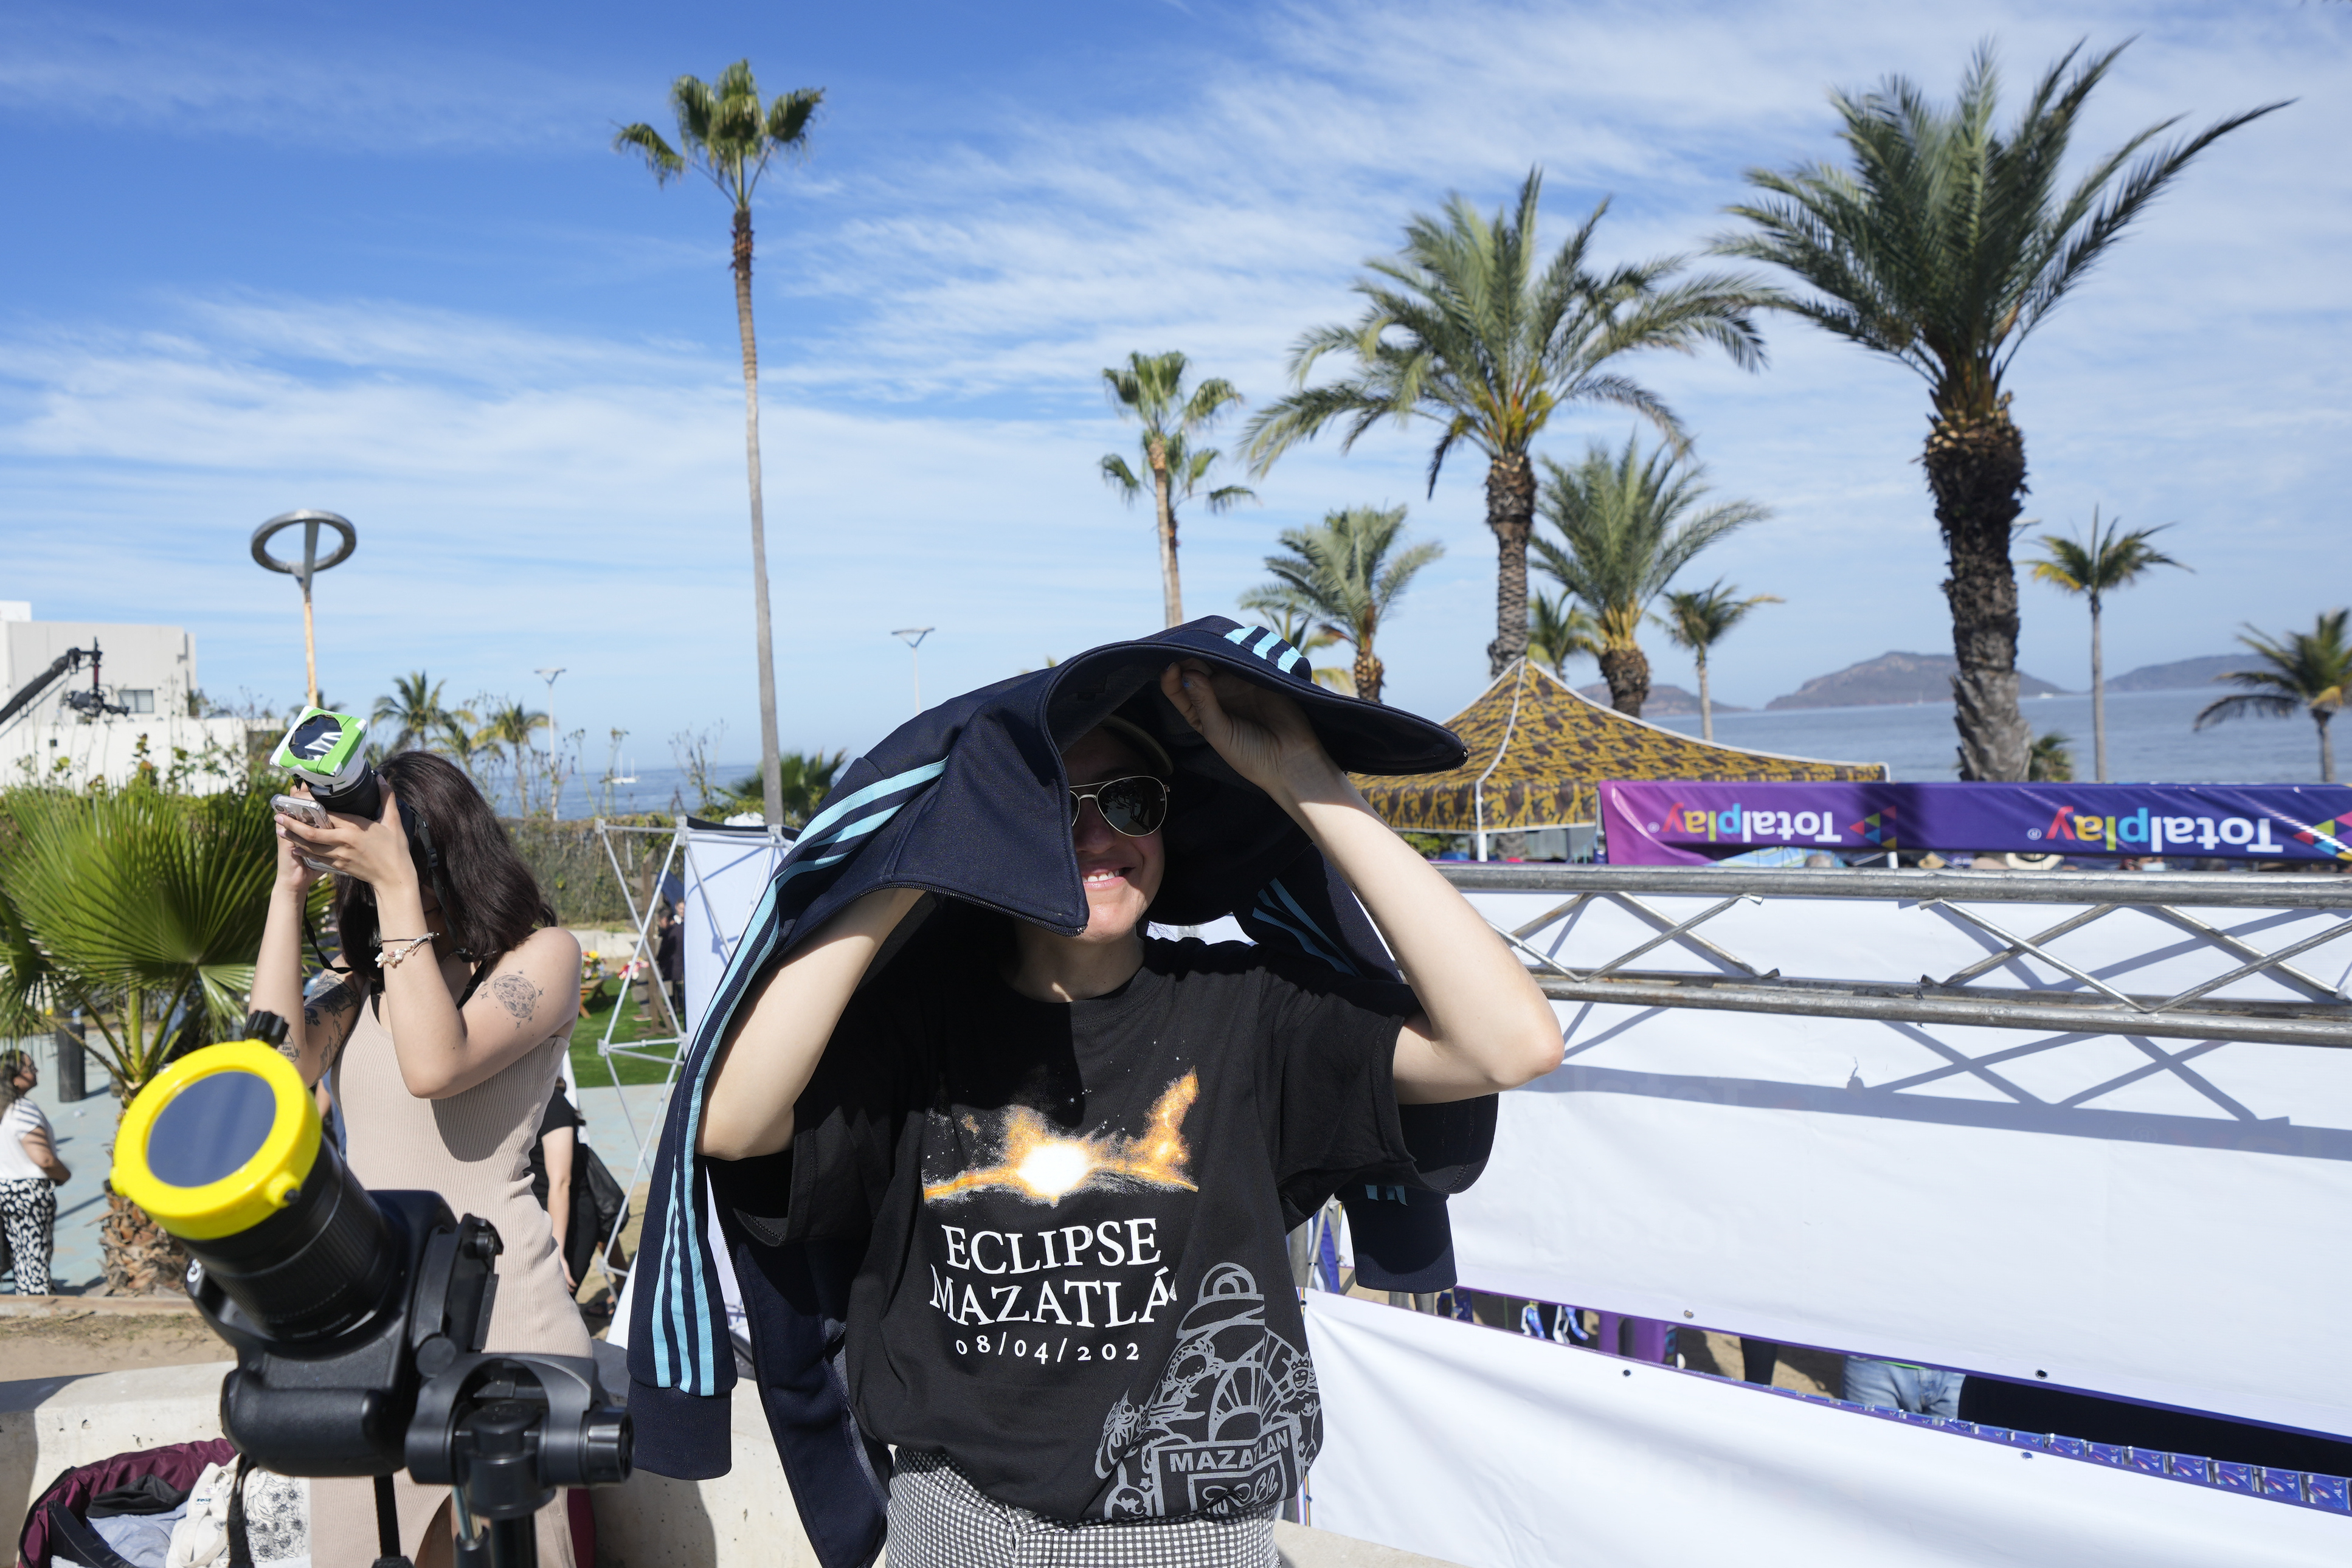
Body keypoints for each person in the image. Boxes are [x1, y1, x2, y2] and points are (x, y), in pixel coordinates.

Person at [695, 661, 1563, 1567]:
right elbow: (731, 1121)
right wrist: (919, 853)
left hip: (1200, 1544)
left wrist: (1304, 778)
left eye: (1132, 800)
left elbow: (1510, 1043)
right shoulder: (921, 1021)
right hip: (958, 1539)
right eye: (1051, 806)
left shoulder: (1249, 1009)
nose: (1097, 834)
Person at [251, 752, 590, 1568]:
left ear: (449, 844)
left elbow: (433, 1063)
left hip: (505, 1325)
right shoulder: (357, 982)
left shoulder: (542, 957)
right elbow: (266, 1076)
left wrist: (397, 884)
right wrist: (288, 889)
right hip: (374, 1326)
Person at [0, 1048, 71, 1295]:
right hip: (29, 1192)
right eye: (30, 1068)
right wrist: (63, 1174)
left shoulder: (5, 1109)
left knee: (22, 1253)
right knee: (35, 1253)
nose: (36, 1071)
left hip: (7, 1189)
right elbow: (44, 1158)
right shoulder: (22, 1110)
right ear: (14, 1077)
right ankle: (36, 1299)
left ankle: (30, 1294)